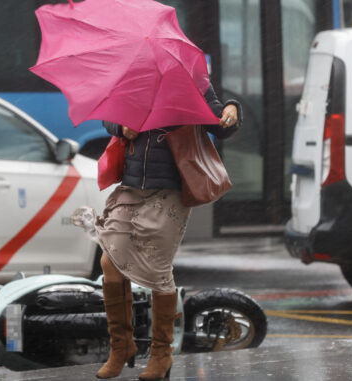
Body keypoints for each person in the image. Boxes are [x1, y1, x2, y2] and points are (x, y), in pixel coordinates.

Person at [75, 84, 241, 380]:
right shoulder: (133, 80)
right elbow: (108, 118)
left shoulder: (189, 81)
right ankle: (121, 347)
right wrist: (121, 127)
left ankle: (161, 354)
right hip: (131, 187)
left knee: (157, 269)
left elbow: (220, 124)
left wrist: (231, 109)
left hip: (171, 191)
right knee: (109, 263)